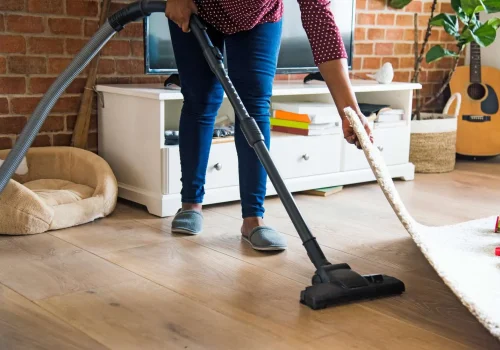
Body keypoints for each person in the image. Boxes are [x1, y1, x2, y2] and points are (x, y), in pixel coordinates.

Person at [164, 0, 373, 251]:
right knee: (201, 100)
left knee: (253, 105)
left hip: (259, 16)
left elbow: (321, 25)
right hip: (199, 5)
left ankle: (253, 219)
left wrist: (349, 110)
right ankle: (191, 204)